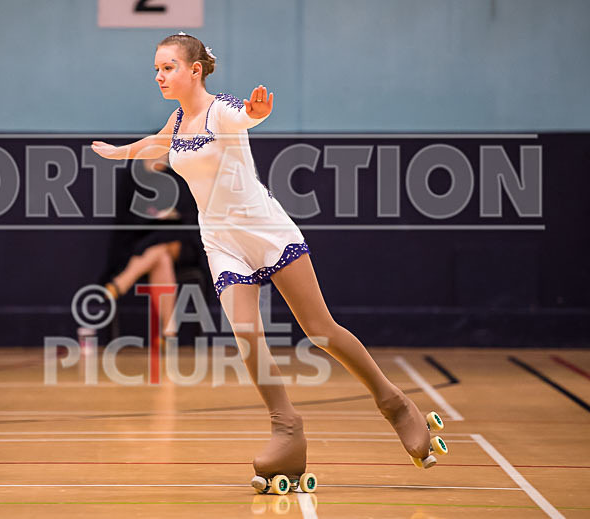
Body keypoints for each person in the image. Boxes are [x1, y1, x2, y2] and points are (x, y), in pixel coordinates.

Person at [91, 33, 440, 488]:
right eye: (156, 69)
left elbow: (248, 117)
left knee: (320, 330)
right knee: (246, 334)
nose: (159, 75)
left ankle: (395, 404)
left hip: (265, 229)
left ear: (195, 70)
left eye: (168, 67)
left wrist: (259, 112)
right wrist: (121, 152)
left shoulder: (222, 111)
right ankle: (286, 430)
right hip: (221, 241)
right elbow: (158, 143)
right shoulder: (177, 121)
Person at [100, 152, 204, 343]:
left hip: (180, 246)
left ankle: (120, 283)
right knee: (160, 255)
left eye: (164, 155)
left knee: (162, 242)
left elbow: (192, 218)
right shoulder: (134, 182)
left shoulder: (179, 180)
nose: (159, 159)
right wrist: (150, 215)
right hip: (145, 244)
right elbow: (126, 220)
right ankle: (168, 332)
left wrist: (173, 214)